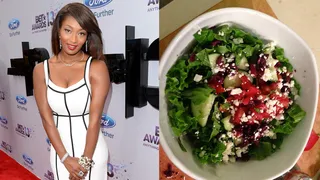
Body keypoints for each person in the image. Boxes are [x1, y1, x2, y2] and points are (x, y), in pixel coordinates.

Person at [33, 2, 110, 180]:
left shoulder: (96, 68)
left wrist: (84, 163)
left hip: (92, 153)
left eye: (81, 33)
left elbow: (95, 120)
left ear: (87, 36)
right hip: (60, 154)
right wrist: (65, 158)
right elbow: (46, 119)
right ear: (58, 31)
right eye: (68, 30)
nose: (74, 40)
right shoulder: (40, 71)